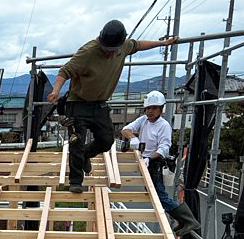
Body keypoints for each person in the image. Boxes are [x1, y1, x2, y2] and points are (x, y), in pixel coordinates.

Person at [47, 20, 177, 194]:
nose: (108, 51)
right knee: (76, 141)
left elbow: (138, 45)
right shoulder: (88, 52)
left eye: (111, 49)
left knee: (107, 140)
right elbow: (64, 71)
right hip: (78, 103)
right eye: (105, 48)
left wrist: (162, 43)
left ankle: (86, 155)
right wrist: (56, 90)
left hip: (99, 104)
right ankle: (76, 181)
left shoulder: (124, 46)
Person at [122, 91, 199, 237]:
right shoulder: (143, 120)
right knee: (154, 194)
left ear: (161, 109)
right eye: (148, 108)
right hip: (145, 161)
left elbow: (164, 148)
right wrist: (133, 138)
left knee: (159, 195)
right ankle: (182, 220)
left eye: (154, 108)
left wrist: (150, 158)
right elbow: (125, 130)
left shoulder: (164, 126)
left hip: (155, 163)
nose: (150, 111)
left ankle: (189, 220)